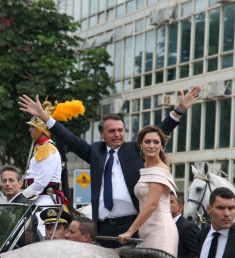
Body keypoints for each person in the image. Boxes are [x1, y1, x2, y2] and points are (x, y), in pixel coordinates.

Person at [18, 86, 202, 247]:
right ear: (102, 133)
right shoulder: (95, 152)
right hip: (103, 228)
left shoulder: (134, 149)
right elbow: (68, 138)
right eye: (112, 131)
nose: (117, 134)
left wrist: (179, 110)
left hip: (131, 226)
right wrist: (43, 115)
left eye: (120, 130)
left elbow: (160, 131)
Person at [116, 126, 178, 258]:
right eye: (147, 141)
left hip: (161, 231)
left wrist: (130, 231)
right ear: (140, 144)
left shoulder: (159, 169)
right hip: (147, 231)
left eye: (156, 142)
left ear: (162, 145)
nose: (151, 145)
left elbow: (151, 205)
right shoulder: (147, 168)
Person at [170, 191, 200, 258]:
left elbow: (195, 254)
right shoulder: (162, 226)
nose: (166, 204)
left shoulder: (188, 227)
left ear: (180, 207)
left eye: (171, 202)